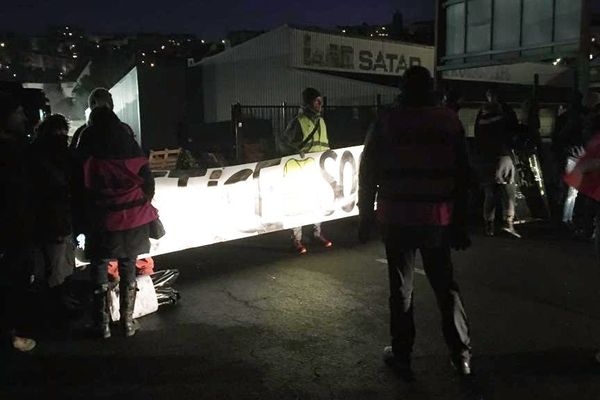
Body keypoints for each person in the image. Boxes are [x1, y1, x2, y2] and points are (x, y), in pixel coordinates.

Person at [358, 66, 472, 378]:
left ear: (402, 90)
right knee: (445, 287)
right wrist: (461, 222)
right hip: (437, 219)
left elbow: (367, 173)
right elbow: (463, 173)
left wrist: (364, 217)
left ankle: (403, 354)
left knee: (401, 289)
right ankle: (461, 355)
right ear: (431, 89)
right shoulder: (448, 120)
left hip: (396, 219)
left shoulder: (386, 121)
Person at [74, 107, 158, 339]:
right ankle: (128, 323)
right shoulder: (128, 143)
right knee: (128, 265)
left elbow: (77, 186)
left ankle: (102, 325)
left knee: (99, 266)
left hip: (100, 219)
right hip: (133, 218)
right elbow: (148, 183)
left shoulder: (88, 143)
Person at [0, 91, 36, 352]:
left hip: (14, 226)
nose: (23, 116)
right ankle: (11, 335)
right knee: (12, 281)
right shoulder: (11, 150)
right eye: (18, 112)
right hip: (12, 227)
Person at [279, 87, 333, 254]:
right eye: (318, 101)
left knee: (318, 201)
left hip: (318, 169)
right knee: (299, 204)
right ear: (309, 102)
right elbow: (283, 143)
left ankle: (316, 233)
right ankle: (296, 239)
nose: (320, 105)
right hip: (302, 170)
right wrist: (296, 151)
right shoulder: (299, 121)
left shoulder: (321, 121)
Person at [30, 114, 75, 290]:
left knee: (45, 263)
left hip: (37, 216)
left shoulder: (32, 151)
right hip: (58, 216)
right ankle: (59, 302)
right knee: (59, 264)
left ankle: (51, 300)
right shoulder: (60, 153)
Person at [474, 88, 521, 238]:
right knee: (508, 192)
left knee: (490, 193)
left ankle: (489, 226)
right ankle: (508, 223)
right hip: (503, 156)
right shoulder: (504, 117)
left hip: (485, 158)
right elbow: (514, 132)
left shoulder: (480, 119)